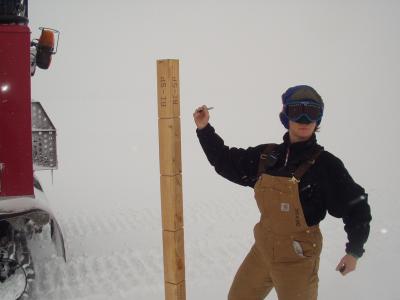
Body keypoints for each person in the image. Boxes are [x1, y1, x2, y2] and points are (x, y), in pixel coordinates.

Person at [193, 85, 372, 300]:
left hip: (298, 258)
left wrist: (354, 251)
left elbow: (357, 206)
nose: (305, 120)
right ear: (285, 117)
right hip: (263, 250)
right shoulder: (267, 157)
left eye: (312, 112)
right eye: (297, 112)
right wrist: (204, 129)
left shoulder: (326, 166)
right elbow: (224, 161)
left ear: (319, 119)